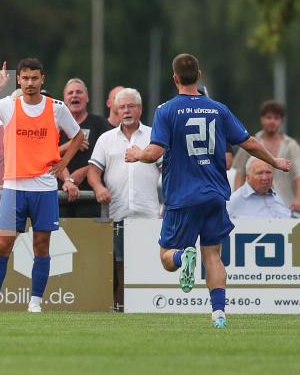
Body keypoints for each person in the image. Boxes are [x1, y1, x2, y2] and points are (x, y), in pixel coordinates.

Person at [125, 53, 291, 329]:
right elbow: (248, 142)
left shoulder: (166, 110)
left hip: (183, 196)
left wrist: (137, 154)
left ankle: (183, 256)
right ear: (199, 75)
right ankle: (219, 315)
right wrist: (274, 161)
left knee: (167, 257)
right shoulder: (218, 109)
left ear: (175, 78)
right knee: (212, 255)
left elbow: (154, 152)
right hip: (215, 195)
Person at [0, 59, 83, 313]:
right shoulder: (9, 105)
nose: (30, 83)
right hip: (14, 187)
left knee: (41, 246)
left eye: (34, 78)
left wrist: (64, 162)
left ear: (42, 79)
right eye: (25, 78)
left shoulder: (56, 108)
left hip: (44, 188)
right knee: (3, 244)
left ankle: (35, 303)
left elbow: (77, 136)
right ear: (19, 80)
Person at [87, 88, 161, 311]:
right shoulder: (106, 139)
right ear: (116, 110)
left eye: (131, 106)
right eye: (122, 107)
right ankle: (122, 309)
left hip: (148, 212)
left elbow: (167, 170)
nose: (127, 111)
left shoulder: (154, 136)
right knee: (120, 263)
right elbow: (93, 171)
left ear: (140, 109)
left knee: (148, 262)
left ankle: (148, 307)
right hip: (118, 212)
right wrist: (98, 187)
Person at [232, 100, 300, 212]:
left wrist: (298, 199)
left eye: (276, 118)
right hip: (254, 206)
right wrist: (238, 199)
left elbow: (298, 175)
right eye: (268, 117)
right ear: (262, 119)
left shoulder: (291, 145)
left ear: (282, 121)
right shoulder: (251, 143)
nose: (272, 121)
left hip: (286, 205)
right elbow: (240, 173)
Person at [58, 78, 112, 217]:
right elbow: (45, 157)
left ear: (87, 97)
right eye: (70, 93)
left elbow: (111, 156)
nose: (75, 95)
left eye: (79, 92)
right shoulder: (56, 125)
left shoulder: (100, 124)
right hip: (60, 199)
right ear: (64, 99)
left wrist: (85, 172)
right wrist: (71, 144)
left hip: (92, 200)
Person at [227, 158, 292, 219]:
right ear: (248, 177)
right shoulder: (234, 201)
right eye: (260, 173)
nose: (265, 178)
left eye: (268, 172)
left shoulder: (279, 197)